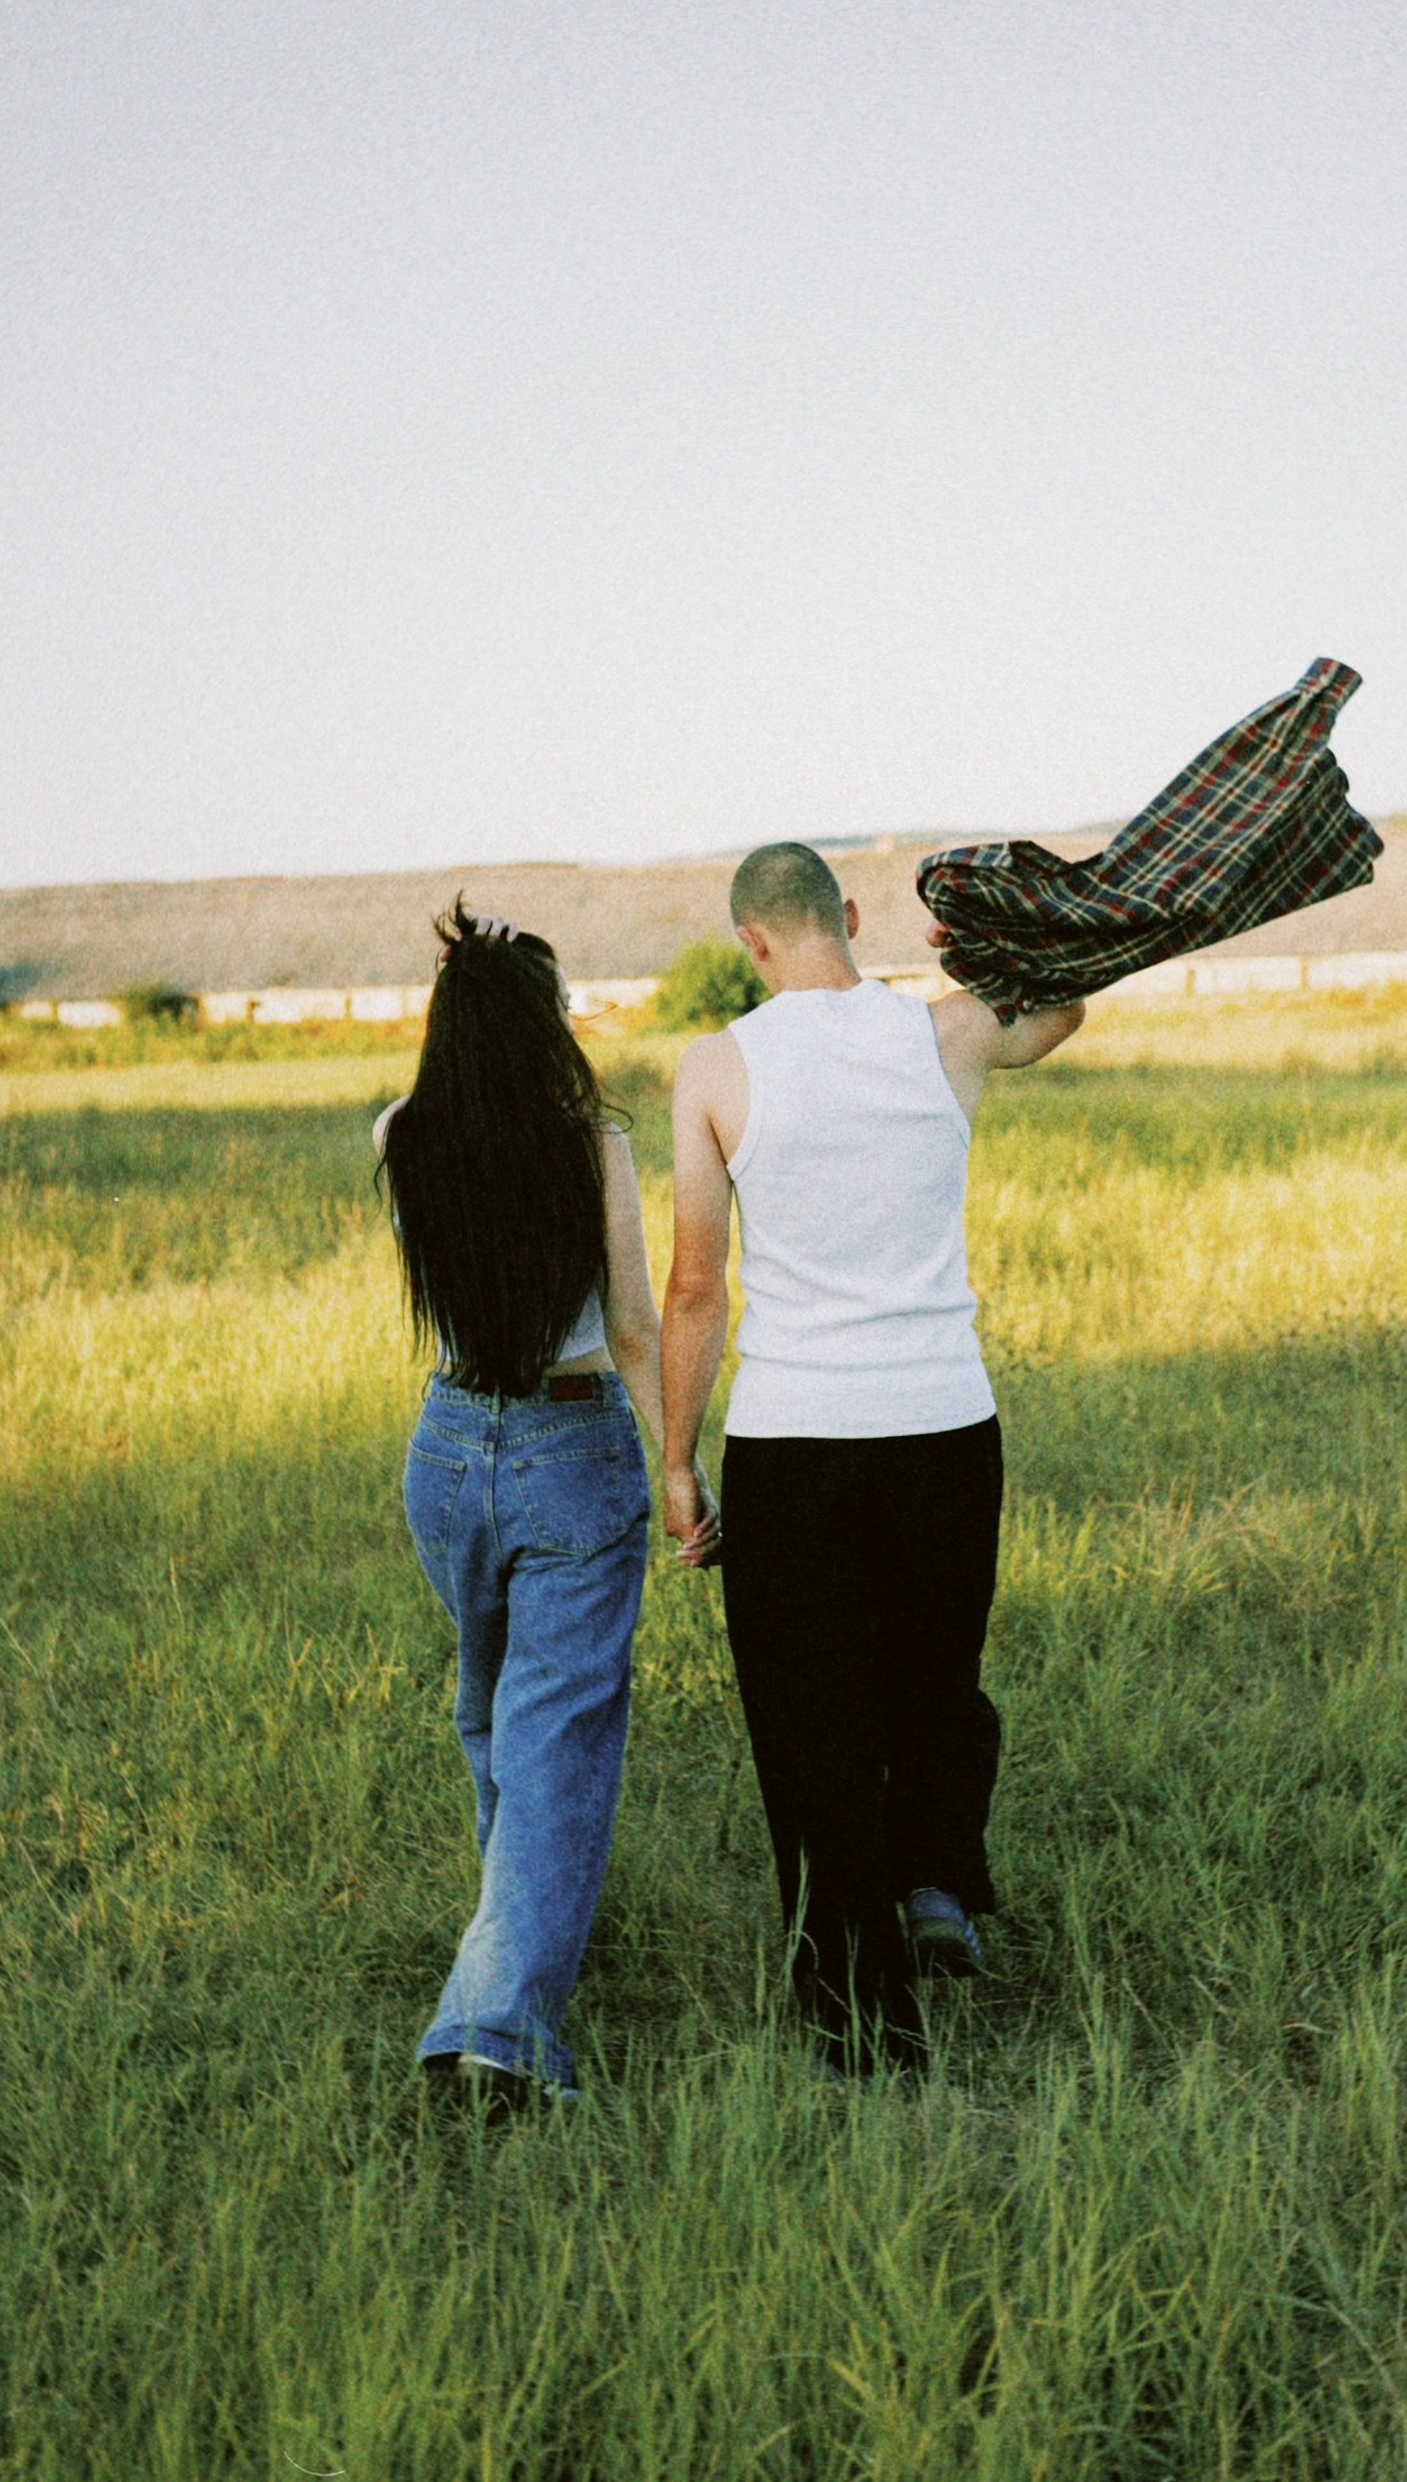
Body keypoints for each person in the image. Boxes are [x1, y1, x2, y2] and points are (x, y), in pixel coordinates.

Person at [660, 843, 1082, 2074]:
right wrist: (987, 949)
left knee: (814, 1721)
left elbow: (695, 1288)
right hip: (944, 1425)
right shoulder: (947, 1032)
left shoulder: (717, 1066)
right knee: (933, 1678)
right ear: (846, 915)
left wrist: (676, 1462)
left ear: (751, 942)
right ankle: (937, 1878)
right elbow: (1062, 1006)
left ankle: (862, 2015)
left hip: (794, 1440)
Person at [378, 902, 717, 2120]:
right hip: (570, 1445)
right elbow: (632, 1325)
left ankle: (510, 1950)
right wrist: (676, 1463)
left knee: (494, 1713)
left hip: (447, 1446)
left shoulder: (401, 1132)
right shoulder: (592, 1145)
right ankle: (497, 2027)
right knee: (554, 1735)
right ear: (542, 1027)